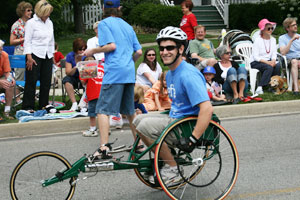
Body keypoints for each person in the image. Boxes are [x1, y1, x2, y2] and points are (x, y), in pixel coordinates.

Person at [132, 26, 213, 183]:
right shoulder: (169, 74)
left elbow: (207, 108)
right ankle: (166, 155)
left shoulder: (188, 74)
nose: (164, 52)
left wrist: (193, 139)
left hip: (186, 127)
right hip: (175, 119)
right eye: (162, 48)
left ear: (181, 49)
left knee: (144, 127)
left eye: (170, 47)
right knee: (137, 120)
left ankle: (172, 167)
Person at [84, 0, 142, 159]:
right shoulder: (127, 26)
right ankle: (139, 143)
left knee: (102, 110)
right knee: (130, 110)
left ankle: (103, 148)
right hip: (129, 72)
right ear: (119, 8)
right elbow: (139, 52)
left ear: (103, 8)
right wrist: (129, 63)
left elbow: (111, 46)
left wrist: (92, 50)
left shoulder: (103, 24)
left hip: (114, 72)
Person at [22, 0, 54, 111]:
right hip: (34, 54)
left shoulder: (50, 22)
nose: (48, 15)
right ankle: (28, 106)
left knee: (46, 81)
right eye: (46, 12)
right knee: (32, 81)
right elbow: (27, 41)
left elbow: (51, 40)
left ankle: (43, 105)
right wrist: (29, 57)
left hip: (47, 54)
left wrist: (52, 55)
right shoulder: (31, 23)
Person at [10, 1, 33, 103]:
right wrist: (24, 39)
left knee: (32, 75)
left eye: (31, 10)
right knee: (19, 76)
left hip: (31, 53)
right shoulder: (17, 25)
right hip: (20, 53)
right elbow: (12, 41)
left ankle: (30, 97)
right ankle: (18, 99)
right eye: (28, 10)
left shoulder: (33, 23)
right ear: (22, 12)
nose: (31, 12)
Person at [250, 18, 280, 95]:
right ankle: (260, 87)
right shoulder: (258, 40)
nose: (271, 30)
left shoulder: (273, 40)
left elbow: (274, 53)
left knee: (277, 65)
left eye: (272, 28)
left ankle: (272, 86)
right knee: (269, 67)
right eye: (268, 28)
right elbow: (256, 57)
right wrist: (268, 62)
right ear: (263, 30)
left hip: (268, 61)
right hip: (256, 62)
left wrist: (273, 61)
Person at [80, 56, 104, 137]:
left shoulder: (87, 68)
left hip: (93, 94)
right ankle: (105, 129)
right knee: (103, 112)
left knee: (92, 113)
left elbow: (83, 82)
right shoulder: (101, 67)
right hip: (103, 93)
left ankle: (93, 129)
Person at [62, 38, 87, 111]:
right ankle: (74, 103)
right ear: (75, 49)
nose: (82, 51)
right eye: (80, 49)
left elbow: (90, 71)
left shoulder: (86, 55)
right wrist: (76, 67)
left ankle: (86, 103)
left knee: (90, 80)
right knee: (66, 80)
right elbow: (68, 72)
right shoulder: (70, 56)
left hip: (84, 76)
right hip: (73, 77)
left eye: (84, 49)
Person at [279, 17, 300, 95]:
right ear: (288, 28)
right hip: (288, 60)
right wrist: (291, 40)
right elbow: (283, 52)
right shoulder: (282, 38)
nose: (296, 26)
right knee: (294, 62)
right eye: (293, 25)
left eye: (296, 24)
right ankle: (296, 90)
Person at [0, 40, 16, 120]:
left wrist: (11, 78)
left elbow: (7, 72)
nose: (1, 50)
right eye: (0, 49)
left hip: (1, 76)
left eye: (1, 48)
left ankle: (7, 111)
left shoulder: (4, 55)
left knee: (9, 83)